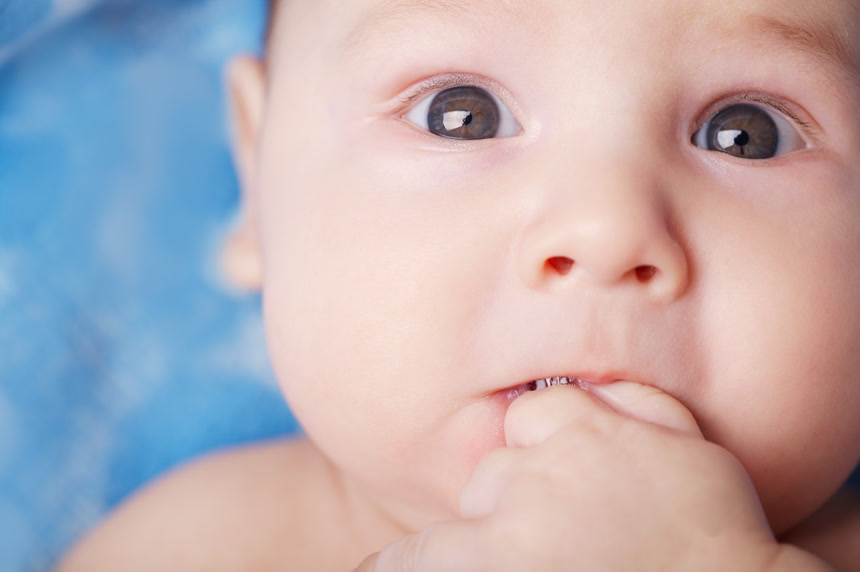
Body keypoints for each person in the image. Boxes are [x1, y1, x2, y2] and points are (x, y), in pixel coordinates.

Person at [59, 0, 860, 569]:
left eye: (746, 134)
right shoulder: (200, 546)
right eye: (459, 113)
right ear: (260, 175)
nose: (605, 228)